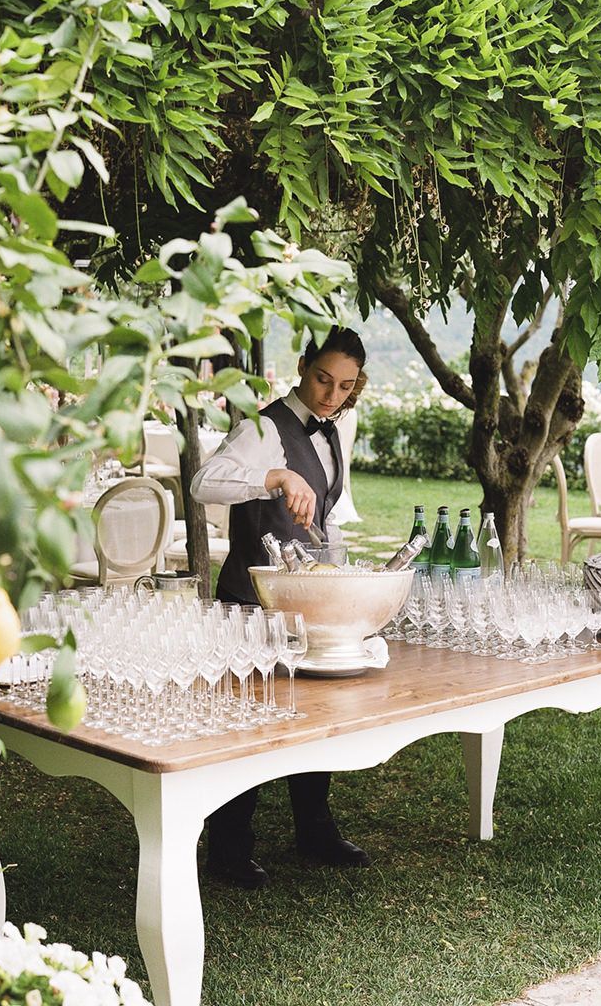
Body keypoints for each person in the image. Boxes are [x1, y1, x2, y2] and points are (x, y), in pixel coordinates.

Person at [191, 326, 370, 889]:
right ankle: (227, 849)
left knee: (311, 717)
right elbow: (204, 482)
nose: (329, 395)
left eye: (343, 385)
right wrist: (272, 474)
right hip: (248, 600)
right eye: (322, 378)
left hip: (305, 599)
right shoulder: (264, 425)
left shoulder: (335, 432)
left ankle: (314, 832)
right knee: (246, 726)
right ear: (302, 366)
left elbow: (325, 511)